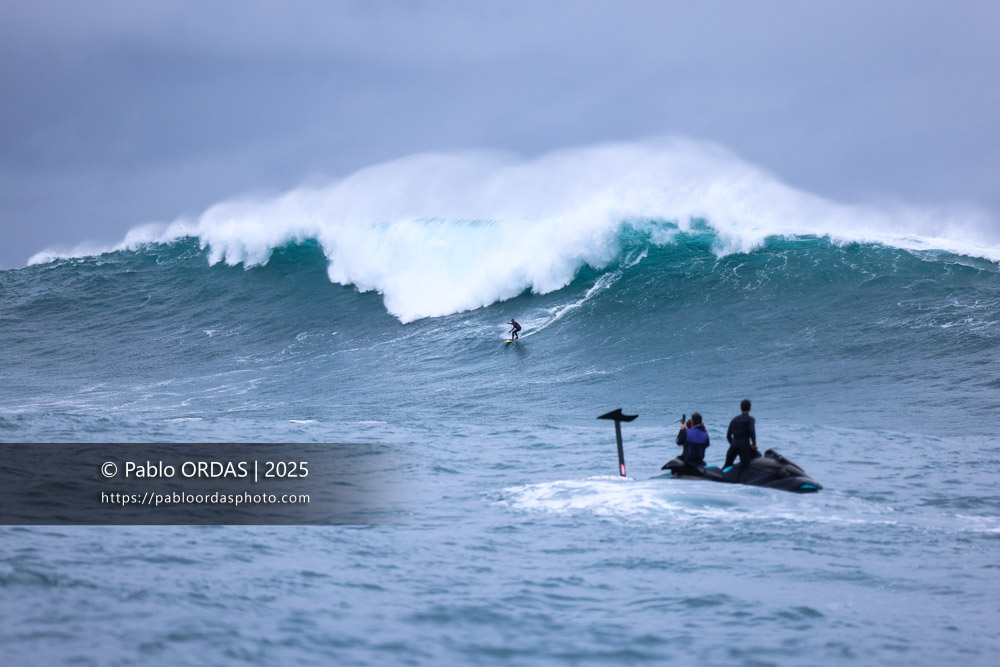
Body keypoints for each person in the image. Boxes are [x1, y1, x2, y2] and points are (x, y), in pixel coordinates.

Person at [725, 399, 758, 480]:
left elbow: (728, 435)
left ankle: (718, 480)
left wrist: (733, 444)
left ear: (740, 408)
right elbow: (751, 431)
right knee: (745, 468)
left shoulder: (734, 419)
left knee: (727, 465)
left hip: (734, 444)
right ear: (750, 408)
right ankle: (743, 485)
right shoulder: (750, 419)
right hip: (744, 445)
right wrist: (754, 444)